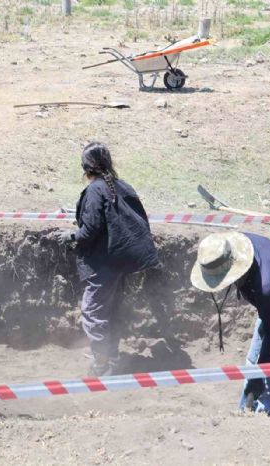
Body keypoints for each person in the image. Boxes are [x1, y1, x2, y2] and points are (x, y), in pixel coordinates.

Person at [55, 142, 159, 377]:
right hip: (121, 261)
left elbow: (90, 230)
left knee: (92, 311)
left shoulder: (95, 190)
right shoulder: (122, 186)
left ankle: (102, 364)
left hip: (104, 264)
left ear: (86, 168)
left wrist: (71, 235)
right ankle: (111, 357)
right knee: (110, 311)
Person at [190, 231, 270, 415]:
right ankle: (244, 417)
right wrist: (257, 372)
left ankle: (265, 428)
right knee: (252, 368)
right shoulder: (233, 248)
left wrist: (261, 373)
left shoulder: (266, 285)